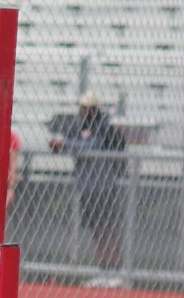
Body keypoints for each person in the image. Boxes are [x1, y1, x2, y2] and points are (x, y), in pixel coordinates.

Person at [50, 91, 128, 287]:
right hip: (88, 185)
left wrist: (66, 143)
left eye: (85, 107)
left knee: (107, 228)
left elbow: (92, 146)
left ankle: (114, 271)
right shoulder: (81, 127)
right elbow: (76, 143)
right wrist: (63, 143)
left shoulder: (102, 127)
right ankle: (103, 271)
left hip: (103, 185)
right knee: (96, 230)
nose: (81, 111)